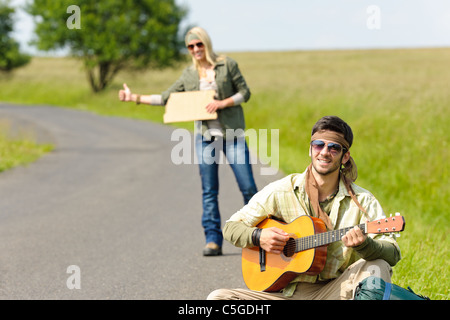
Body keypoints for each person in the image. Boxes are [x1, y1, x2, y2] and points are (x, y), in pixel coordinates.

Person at [207, 116, 401, 300]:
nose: (324, 152)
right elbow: (231, 227)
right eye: (319, 145)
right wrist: (260, 237)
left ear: (345, 157)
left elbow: (392, 253)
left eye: (334, 148)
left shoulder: (362, 200)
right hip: (283, 294)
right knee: (218, 298)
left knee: (377, 266)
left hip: (335, 291)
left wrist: (365, 245)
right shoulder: (282, 190)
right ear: (310, 149)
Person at [118, 27, 258, 256]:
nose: (195, 49)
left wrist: (222, 103)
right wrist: (134, 98)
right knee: (209, 191)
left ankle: (257, 235)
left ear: (206, 44)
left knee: (248, 187)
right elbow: (166, 98)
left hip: (232, 137)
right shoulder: (189, 75)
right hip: (205, 139)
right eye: (191, 46)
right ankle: (213, 240)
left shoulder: (227, 65)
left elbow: (245, 93)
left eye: (199, 44)